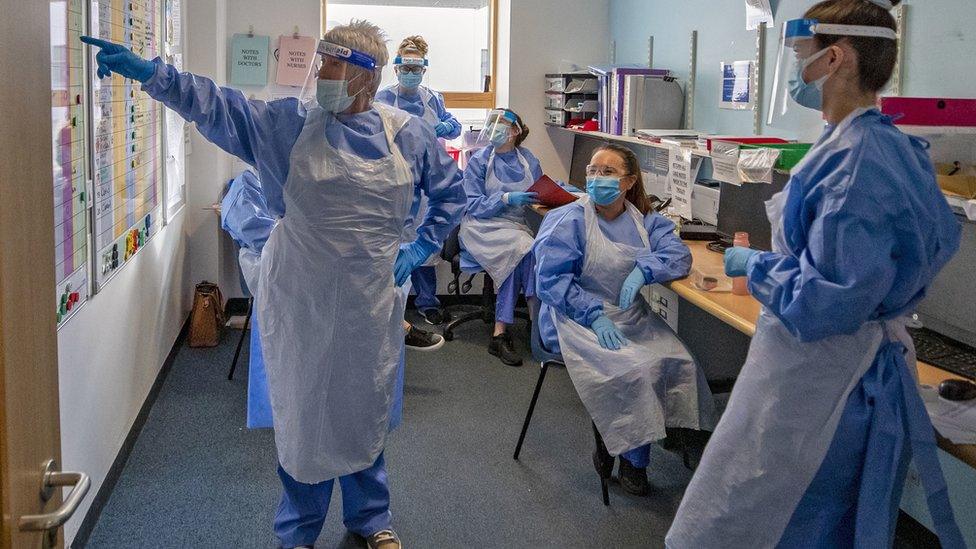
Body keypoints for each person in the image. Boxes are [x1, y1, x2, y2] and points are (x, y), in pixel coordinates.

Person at [82, 19, 466, 549]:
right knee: (305, 413)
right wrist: (153, 74)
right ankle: (298, 533)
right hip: (301, 294)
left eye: (333, 64)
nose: (321, 74)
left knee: (363, 406)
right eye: (320, 62)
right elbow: (217, 105)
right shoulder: (289, 126)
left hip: (370, 298)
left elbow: (451, 196)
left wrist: (421, 247)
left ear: (366, 78)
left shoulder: (409, 134)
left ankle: (371, 520)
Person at [667, 1, 965, 547]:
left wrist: (758, 267)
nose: (794, 69)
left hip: (824, 377)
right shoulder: (878, 145)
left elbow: (829, 301)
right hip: (843, 364)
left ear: (834, 57)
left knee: (768, 518)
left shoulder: (857, 163)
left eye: (799, 54)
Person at [533, 144, 714, 495]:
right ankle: (630, 460)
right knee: (635, 369)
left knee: (680, 361)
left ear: (629, 181)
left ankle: (673, 439)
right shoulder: (569, 219)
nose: (596, 178)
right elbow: (551, 282)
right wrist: (594, 316)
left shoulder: (644, 220)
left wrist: (644, 271)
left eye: (608, 172)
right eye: (592, 170)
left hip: (631, 316)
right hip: (575, 318)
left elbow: (677, 255)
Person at [376, 35, 461, 330]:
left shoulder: (432, 98)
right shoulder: (383, 97)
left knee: (421, 242)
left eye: (416, 68)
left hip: (426, 179)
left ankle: (427, 303)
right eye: (405, 68)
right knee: (389, 241)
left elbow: (453, 125)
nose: (410, 74)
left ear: (424, 70)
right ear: (396, 68)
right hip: (392, 177)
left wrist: (446, 126)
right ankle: (387, 307)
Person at [459, 108, 541, 366]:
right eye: (491, 122)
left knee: (528, 250)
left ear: (515, 131)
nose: (494, 127)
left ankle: (502, 333)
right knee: (521, 248)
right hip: (481, 226)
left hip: (515, 226)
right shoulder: (480, 160)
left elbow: (540, 191)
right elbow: (472, 204)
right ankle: (534, 323)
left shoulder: (528, 159)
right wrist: (504, 199)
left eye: (501, 123)